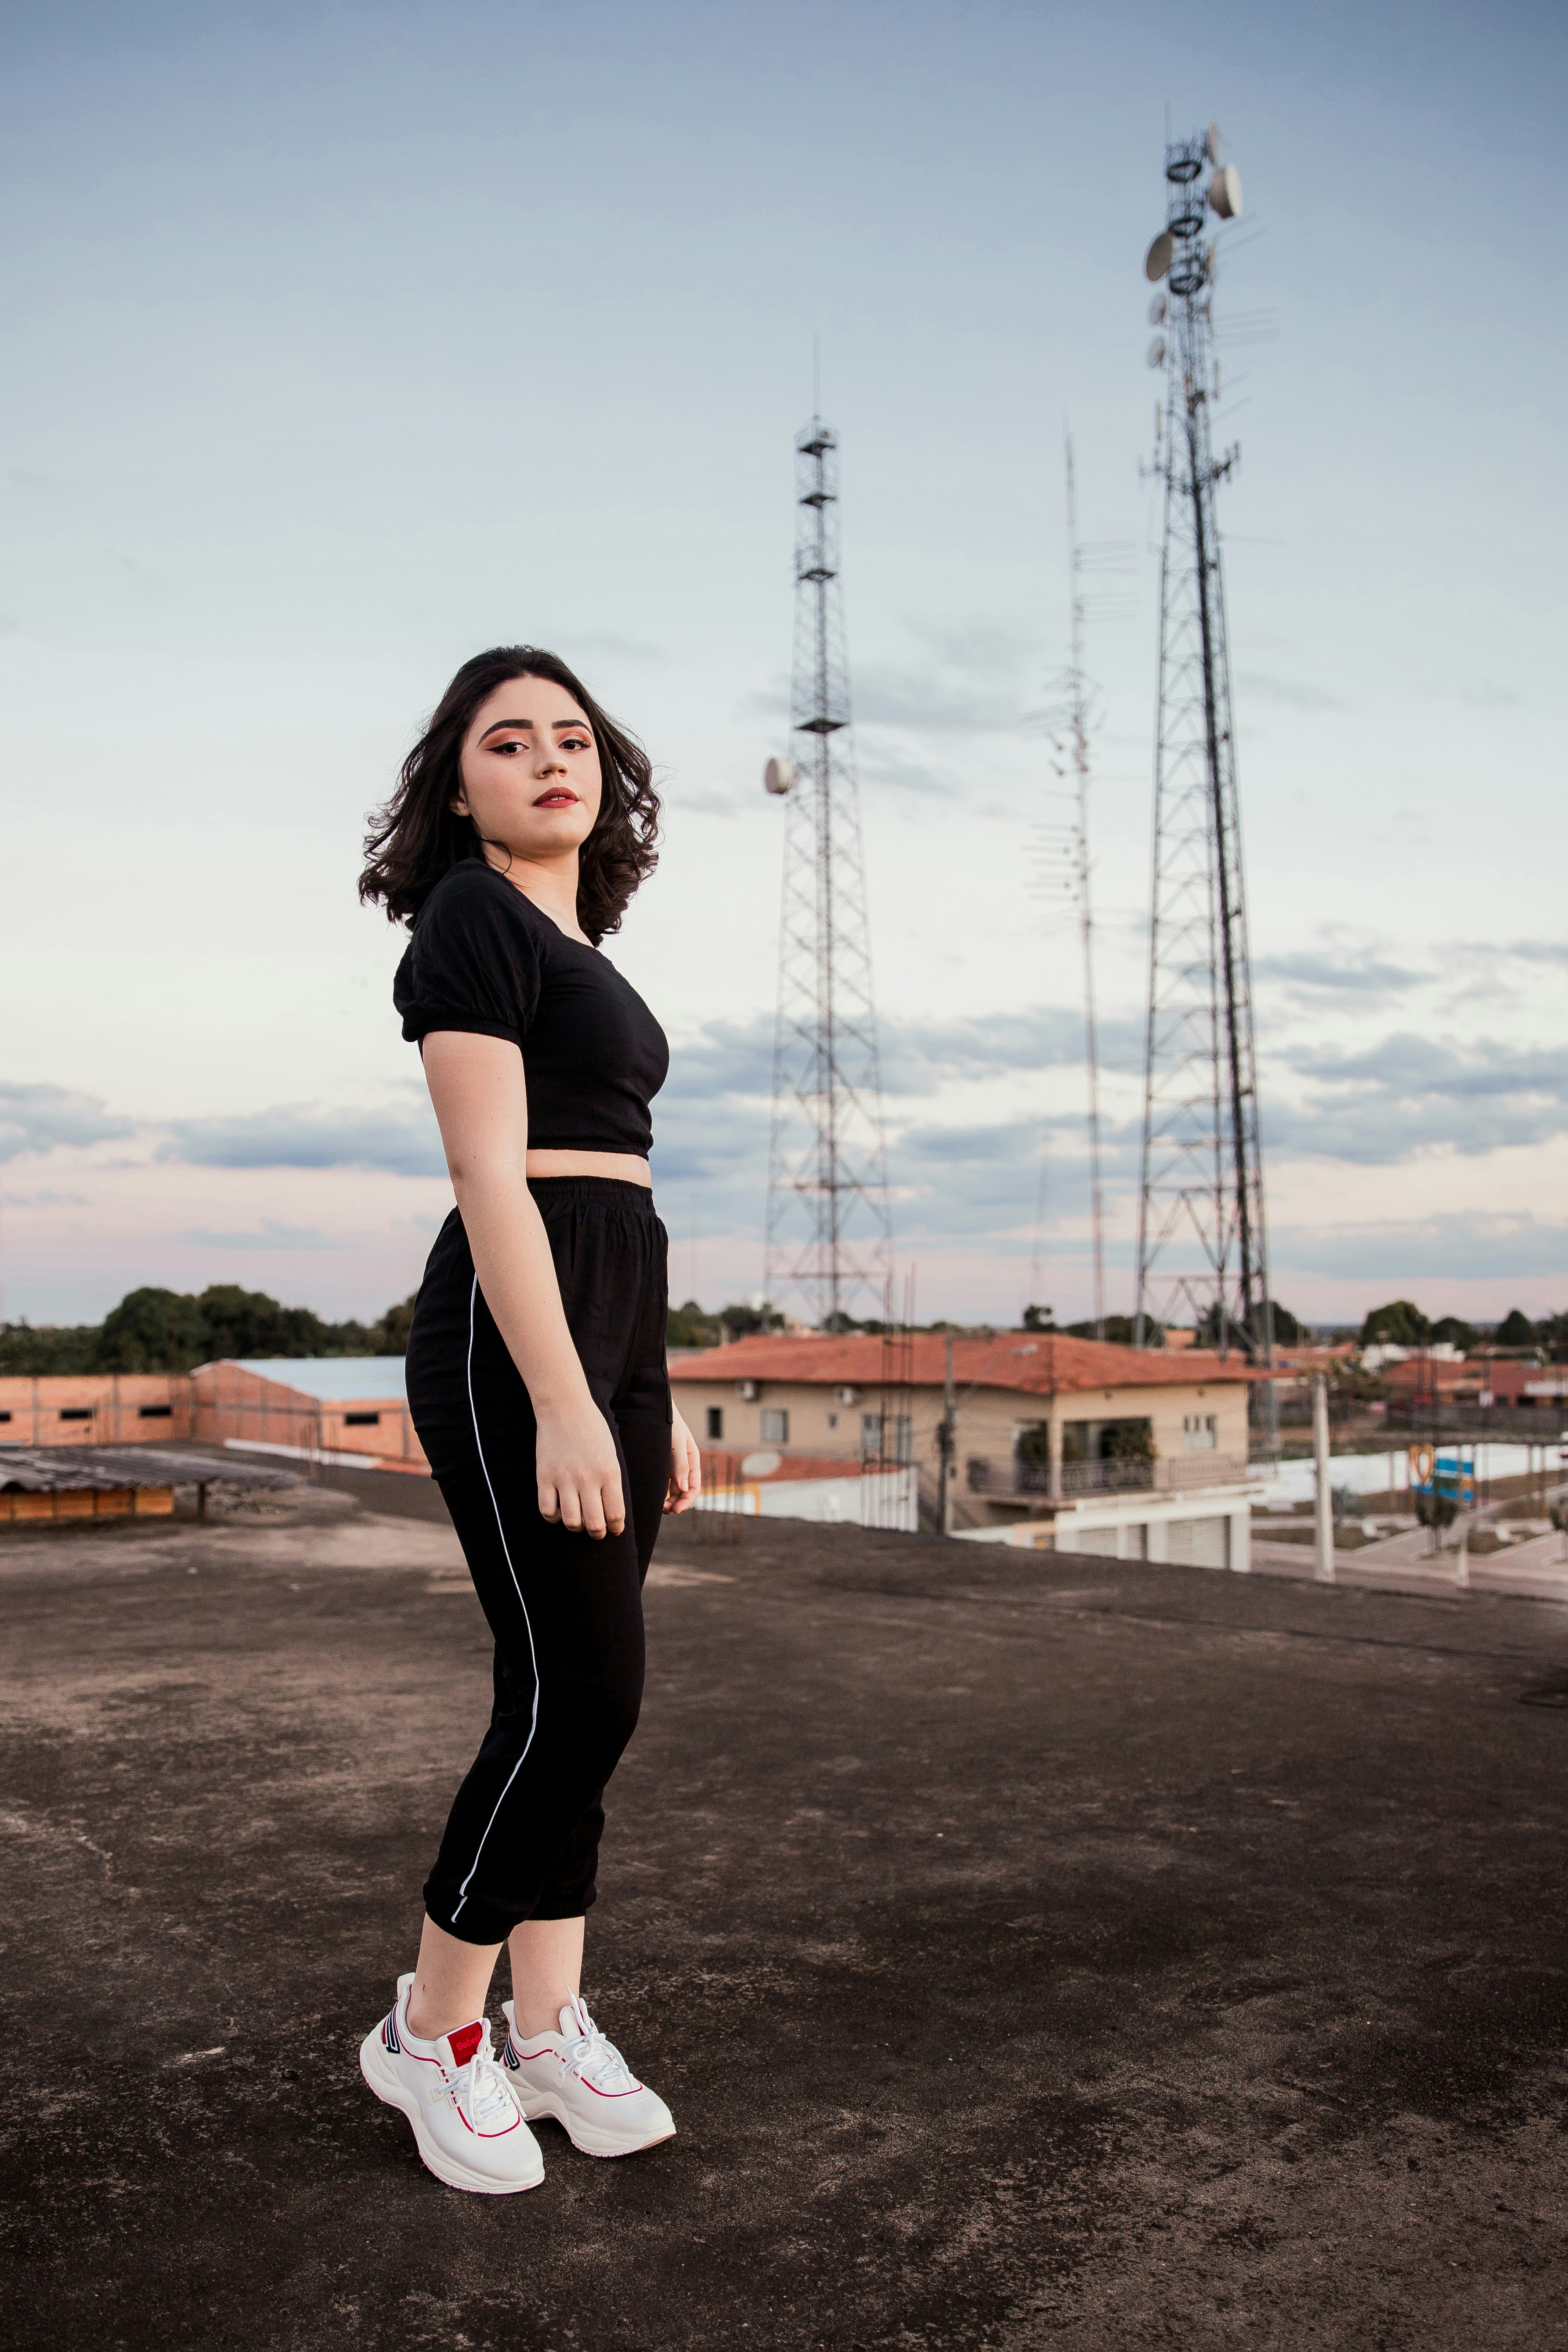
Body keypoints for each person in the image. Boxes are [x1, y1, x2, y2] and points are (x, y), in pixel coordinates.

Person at [354, 646, 702, 2194]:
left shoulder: (584, 945)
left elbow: (623, 1178)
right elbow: (494, 1175)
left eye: (574, 737)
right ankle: (435, 2031)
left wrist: (655, 1392)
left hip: (615, 1310)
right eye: (511, 741)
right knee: (584, 1697)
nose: (551, 758)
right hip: (517, 1325)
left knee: (569, 1698)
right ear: (460, 784)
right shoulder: (471, 919)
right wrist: (563, 1398)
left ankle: (548, 2023)